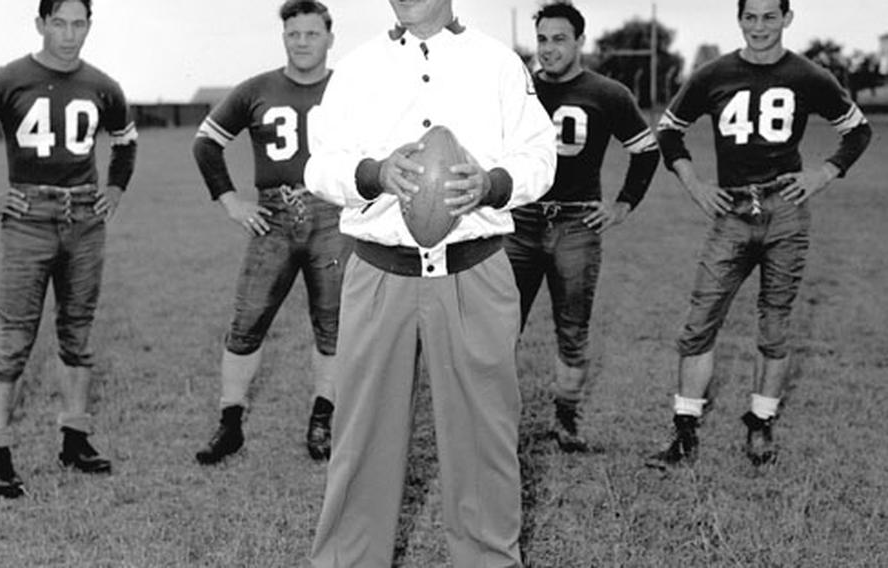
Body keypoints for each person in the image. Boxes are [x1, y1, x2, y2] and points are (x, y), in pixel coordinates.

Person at [302, 0, 556, 564]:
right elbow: (318, 165)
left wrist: (492, 184)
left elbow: (541, 155)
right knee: (362, 438)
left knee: (484, 441)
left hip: (475, 270)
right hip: (378, 270)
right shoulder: (358, 67)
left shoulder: (496, 62)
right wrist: (374, 173)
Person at [647, 0, 871, 469]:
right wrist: (695, 185)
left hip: (785, 208)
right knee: (700, 321)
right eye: (751, 17)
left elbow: (857, 131)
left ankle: (761, 422)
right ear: (739, 19)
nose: (760, 27)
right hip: (731, 208)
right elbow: (669, 131)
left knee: (775, 324)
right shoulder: (713, 74)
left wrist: (822, 174)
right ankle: (685, 430)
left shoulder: (809, 75)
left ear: (787, 18)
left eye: (770, 16)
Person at [0, 0, 137, 498]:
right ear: (41, 25)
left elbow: (126, 141)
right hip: (28, 219)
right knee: (14, 340)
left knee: (78, 333)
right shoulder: (5, 81)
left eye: (79, 23)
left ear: (90, 25)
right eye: (60, 23)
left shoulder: (103, 85)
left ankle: (75, 439)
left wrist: (114, 189)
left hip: (85, 218)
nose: (70, 34)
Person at [192, 0, 349, 464]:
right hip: (273, 216)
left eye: (311, 34)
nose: (302, 42)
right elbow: (206, 144)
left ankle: (322, 418)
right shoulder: (257, 88)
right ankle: (230, 423)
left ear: (329, 38)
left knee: (333, 328)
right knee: (246, 324)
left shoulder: (350, 88)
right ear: (284, 37)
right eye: (293, 34)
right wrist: (230, 202)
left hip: (332, 216)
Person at [505, 2, 659, 453]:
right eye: (542, 39)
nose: (548, 49)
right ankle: (496, 419)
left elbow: (646, 150)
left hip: (576, 222)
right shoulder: (520, 90)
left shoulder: (608, 93)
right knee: (500, 327)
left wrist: (623, 205)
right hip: (522, 221)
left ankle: (566, 417)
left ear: (579, 42)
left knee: (572, 329)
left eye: (559, 39)